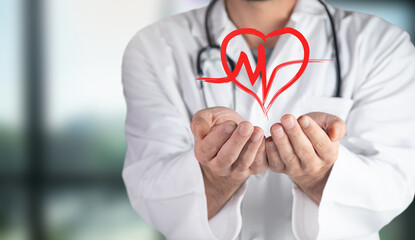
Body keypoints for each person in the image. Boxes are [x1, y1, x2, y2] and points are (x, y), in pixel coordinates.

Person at [121, 0, 415, 239]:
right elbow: (149, 192)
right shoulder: (154, 47)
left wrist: (320, 174)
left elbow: (394, 184)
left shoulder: (382, 45)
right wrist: (212, 178)